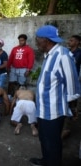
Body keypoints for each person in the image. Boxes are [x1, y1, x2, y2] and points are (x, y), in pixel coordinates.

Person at [29, 25, 81, 166]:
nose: (36, 42)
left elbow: (74, 90)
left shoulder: (63, 55)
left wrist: (59, 103)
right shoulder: (49, 55)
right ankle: (46, 160)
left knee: (52, 142)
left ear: (46, 40)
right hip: (43, 109)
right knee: (44, 139)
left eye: (37, 39)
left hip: (54, 112)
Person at [61, 35, 81, 139]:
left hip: (73, 82)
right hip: (64, 81)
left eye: (72, 40)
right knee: (65, 104)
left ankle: (67, 129)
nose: (69, 41)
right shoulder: (66, 52)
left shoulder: (79, 53)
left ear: (77, 42)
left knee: (71, 104)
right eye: (69, 39)